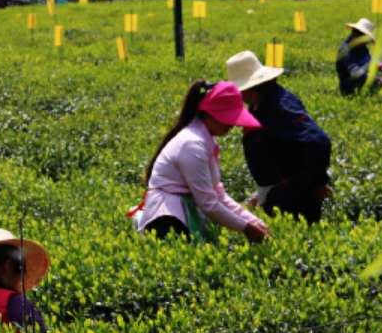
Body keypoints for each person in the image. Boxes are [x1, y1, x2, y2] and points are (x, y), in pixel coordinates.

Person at [131, 80, 269, 243]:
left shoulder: (206, 141)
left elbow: (219, 195)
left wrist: (254, 222)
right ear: (209, 114)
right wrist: (246, 228)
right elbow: (209, 204)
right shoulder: (192, 145)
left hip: (189, 209)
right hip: (168, 218)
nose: (232, 124)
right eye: (227, 118)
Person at [227, 50, 332, 224]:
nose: (240, 95)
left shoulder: (281, 106)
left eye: (241, 90)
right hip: (276, 196)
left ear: (252, 87)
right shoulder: (258, 104)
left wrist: (309, 183)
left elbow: (318, 141)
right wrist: (262, 193)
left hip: (294, 201)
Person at [336, 18, 382, 96]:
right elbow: (355, 73)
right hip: (349, 90)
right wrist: (377, 81)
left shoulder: (362, 48)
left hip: (363, 85)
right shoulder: (345, 50)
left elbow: (367, 62)